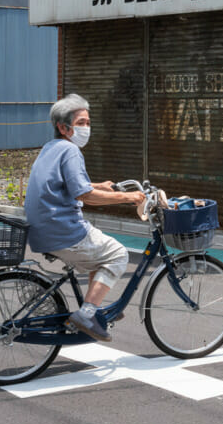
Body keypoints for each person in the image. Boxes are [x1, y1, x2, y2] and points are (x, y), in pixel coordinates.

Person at [24, 94, 143, 342]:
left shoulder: (51, 148)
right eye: (81, 123)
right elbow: (85, 195)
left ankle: (94, 308)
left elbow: (67, 185)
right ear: (63, 127)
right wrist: (128, 198)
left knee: (100, 257)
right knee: (118, 255)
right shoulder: (71, 151)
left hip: (42, 229)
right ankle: (86, 314)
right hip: (63, 230)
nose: (86, 128)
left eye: (88, 123)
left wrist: (100, 184)